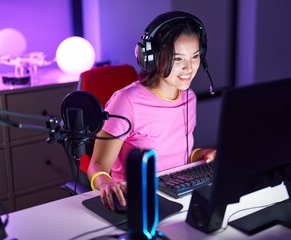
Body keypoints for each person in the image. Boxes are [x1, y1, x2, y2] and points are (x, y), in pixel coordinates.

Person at [87, 11, 216, 211]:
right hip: (139, 200)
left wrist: (198, 155)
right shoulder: (126, 102)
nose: (189, 68)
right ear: (153, 57)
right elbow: (97, 164)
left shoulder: (189, 97)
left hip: (179, 195)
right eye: (178, 58)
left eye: (195, 56)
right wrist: (105, 183)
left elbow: (175, 154)